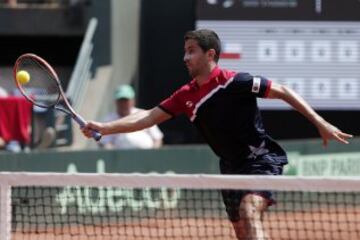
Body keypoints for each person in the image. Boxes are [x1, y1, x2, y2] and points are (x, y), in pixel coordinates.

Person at [81, 29, 352, 239]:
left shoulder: (236, 82)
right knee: (243, 232)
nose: (185, 57)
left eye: (191, 51)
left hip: (260, 160)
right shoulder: (185, 95)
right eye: (185, 51)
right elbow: (149, 116)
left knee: (249, 211)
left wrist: (320, 122)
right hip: (230, 168)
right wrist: (105, 128)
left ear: (210, 55)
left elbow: (281, 90)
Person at [99, 84, 163, 150]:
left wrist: (153, 154)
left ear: (133, 101)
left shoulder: (143, 114)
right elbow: (105, 143)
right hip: (122, 157)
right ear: (116, 102)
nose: (123, 104)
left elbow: (157, 138)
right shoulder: (109, 120)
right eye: (121, 100)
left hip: (148, 156)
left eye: (126, 100)